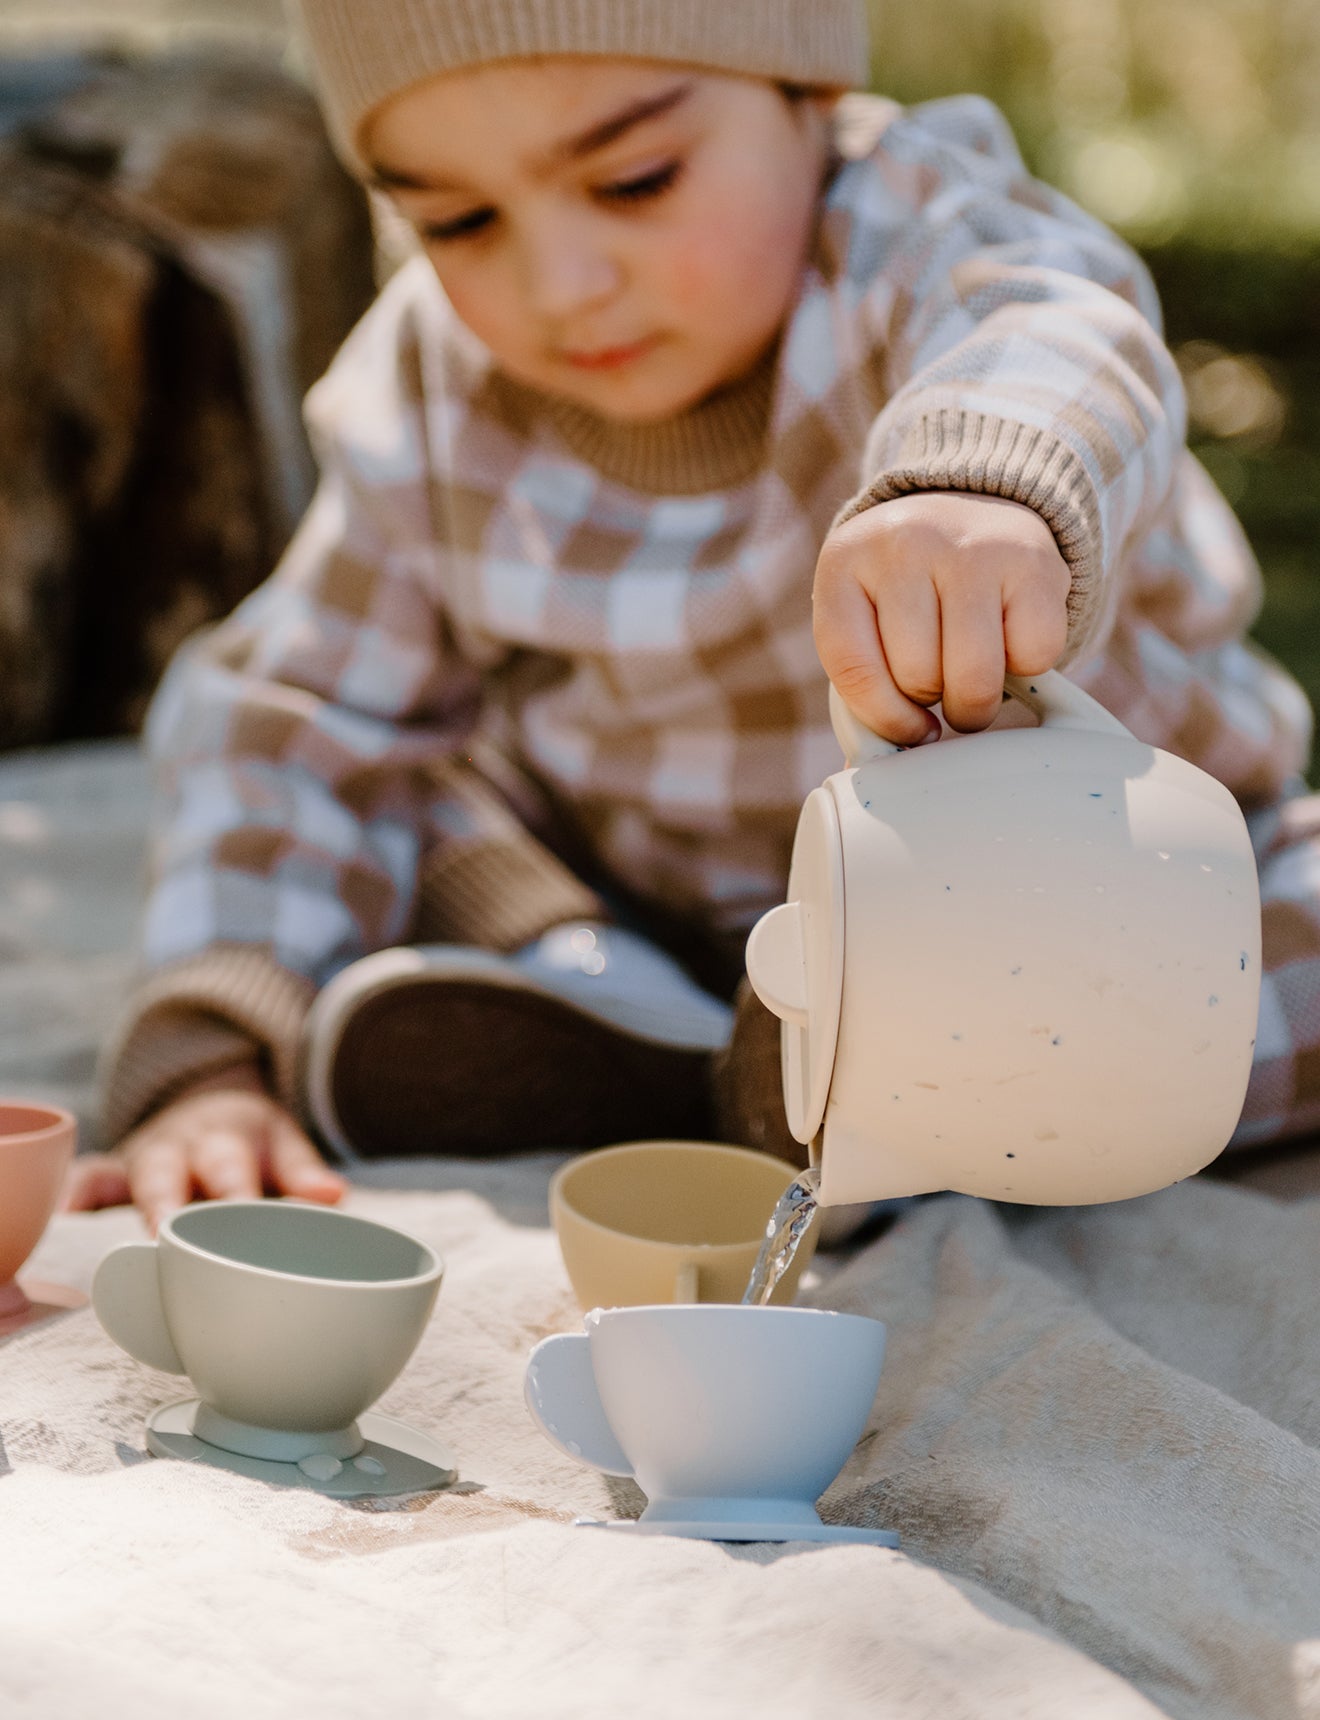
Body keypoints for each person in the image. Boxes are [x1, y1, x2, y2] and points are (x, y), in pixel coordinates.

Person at [68, 0, 1317, 1232]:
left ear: (808, 94)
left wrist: (982, 475)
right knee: (422, 788)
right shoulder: (432, 386)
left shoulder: (920, 226)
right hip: (648, 903)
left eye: (636, 179)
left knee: (1243, 982)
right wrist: (209, 1056)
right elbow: (301, 708)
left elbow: (1060, 319)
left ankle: (841, 1084)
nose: (560, 283)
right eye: (454, 220)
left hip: (1101, 899)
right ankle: (682, 1030)